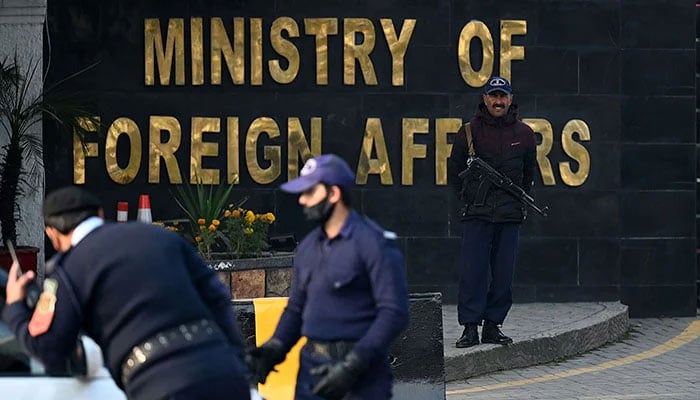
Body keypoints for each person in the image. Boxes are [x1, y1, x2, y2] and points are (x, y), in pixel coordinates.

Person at [2, 186, 251, 400]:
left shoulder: (68, 270)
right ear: (100, 215)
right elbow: (218, 296)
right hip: (226, 374)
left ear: (52, 235)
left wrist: (14, 306)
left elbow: (49, 348)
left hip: (161, 387)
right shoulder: (159, 236)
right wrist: (237, 358)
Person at [247, 154, 410, 399]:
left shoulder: (373, 243)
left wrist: (353, 366)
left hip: (361, 377)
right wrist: (275, 348)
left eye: (310, 192)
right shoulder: (309, 246)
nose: (302, 200)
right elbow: (296, 309)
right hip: (311, 371)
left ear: (334, 194)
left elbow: (394, 313)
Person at [448, 76, 537, 348]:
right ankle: (470, 328)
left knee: (503, 274)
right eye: (493, 96)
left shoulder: (524, 134)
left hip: (509, 215)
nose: (498, 101)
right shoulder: (469, 132)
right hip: (478, 213)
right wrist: (469, 200)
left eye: (503, 96)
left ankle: (492, 326)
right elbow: (454, 175)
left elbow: (528, 175)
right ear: (485, 99)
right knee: (473, 273)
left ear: (510, 99)